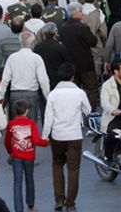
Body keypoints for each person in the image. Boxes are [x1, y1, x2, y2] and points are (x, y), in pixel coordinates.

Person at [41, 63, 90, 212]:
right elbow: (88, 110)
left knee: (57, 165)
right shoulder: (79, 93)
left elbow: (48, 118)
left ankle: (59, 199)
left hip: (57, 135)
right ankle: (71, 203)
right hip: (74, 135)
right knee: (73, 169)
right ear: (73, 77)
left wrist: (44, 136)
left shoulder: (53, 94)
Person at [3, 99, 46, 212]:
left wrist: (10, 151)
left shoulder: (11, 124)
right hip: (29, 155)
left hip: (16, 156)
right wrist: (46, 142)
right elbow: (36, 140)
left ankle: (18, 208)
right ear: (26, 111)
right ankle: (30, 202)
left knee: (17, 182)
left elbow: (7, 141)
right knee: (29, 178)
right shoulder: (31, 123)